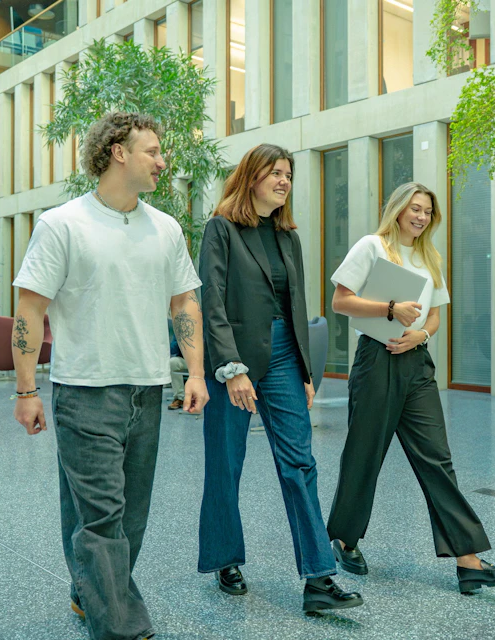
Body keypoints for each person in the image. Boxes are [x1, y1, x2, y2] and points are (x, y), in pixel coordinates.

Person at [11, 111, 208, 640]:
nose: (163, 161)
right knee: (101, 519)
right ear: (118, 152)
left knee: (129, 519)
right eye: (153, 151)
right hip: (84, 391)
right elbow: (30, 310)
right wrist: (26, 389)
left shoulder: (165, 228)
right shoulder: (62, 224)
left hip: (147, 389)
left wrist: (195, 372)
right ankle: (122, 629)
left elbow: (184, 303)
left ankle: (87, 593)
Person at [324, 182, 495, 596]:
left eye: (427, 211)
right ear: (397, 210)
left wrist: (421, 337)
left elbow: (433, 317)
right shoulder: (372, 246)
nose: (421, 216)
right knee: (365, 454)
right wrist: (390, 310)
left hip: (415, 363)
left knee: (437, 458)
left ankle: (468, 562)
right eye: (414, 208)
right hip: (376, 360)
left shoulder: (430, 256)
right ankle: (344, 539)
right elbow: (341, 301)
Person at [197, 143, 363, 613]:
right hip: (234, 360)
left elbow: (298, 306)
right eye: (275, 172)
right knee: (226, 463)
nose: (284, 180)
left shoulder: (289, 237)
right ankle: (224, 557)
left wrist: (306, 372)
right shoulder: (221, 229)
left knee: (301, 463)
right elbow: (212, 303)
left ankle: (318, 578)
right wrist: (231, 369)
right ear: (251, 177)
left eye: (288, 173)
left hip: (286, 356)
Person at [168, 318, 188, 410]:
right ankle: (180, 398)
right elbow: (172, 349)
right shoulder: (182, 328)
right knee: (173, 362)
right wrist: (180, 340)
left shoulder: (205, 326)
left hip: (204, 361)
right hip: (186, 361)